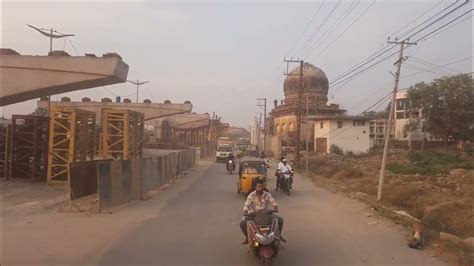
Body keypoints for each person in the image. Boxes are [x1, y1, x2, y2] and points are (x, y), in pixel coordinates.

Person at [239, 179, 286, 244]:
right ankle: (248, 238)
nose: (260, 188)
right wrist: (245, 211)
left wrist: (275, 207)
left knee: (280, 220)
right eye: (258, 186)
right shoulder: (251, 195)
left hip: (265, 214)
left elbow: (273, 202)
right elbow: (246, 205)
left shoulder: (267, 194)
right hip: (254, 215)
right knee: (242, 224)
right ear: (255, 187)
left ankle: (278, 235)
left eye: (261, 186)